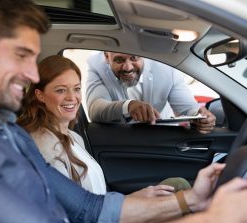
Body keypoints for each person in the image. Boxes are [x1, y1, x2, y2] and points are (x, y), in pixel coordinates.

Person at [0, 1, 247, 223]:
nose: (30, 72)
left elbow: (86, 208)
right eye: (22, 55)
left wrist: (192, 200)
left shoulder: (7, 132)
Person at [17, 55, 187, 195]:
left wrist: (140, 196)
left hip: (104, 214)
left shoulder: (73, 136)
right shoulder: (44, 148)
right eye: (61, 90)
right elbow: (77, 212)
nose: (72, 97)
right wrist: (133, 203)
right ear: (40, 95)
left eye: (76, 89)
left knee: (178, 185)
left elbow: (96, 197)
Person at [86, 52, 216, 133]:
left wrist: (201, 117)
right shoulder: (96, 66)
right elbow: (95, 109)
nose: (128, 67)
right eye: (119, 60)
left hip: (160, 135)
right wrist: (128, 106)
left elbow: (189, 108)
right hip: (121, 140)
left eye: (134, 58)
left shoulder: (166, 67)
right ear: (106, 57)